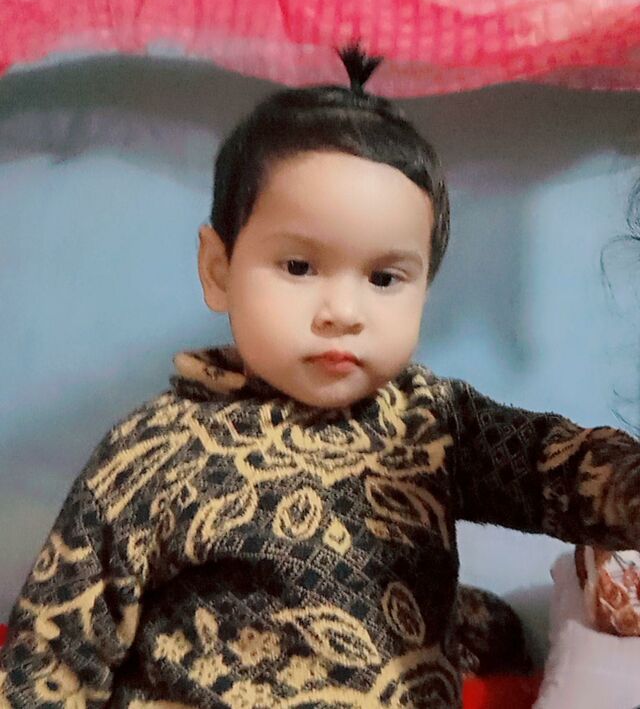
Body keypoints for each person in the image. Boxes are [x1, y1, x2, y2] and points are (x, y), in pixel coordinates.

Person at [1, 48, 639, 708]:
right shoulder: (152, 451)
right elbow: (51, 656)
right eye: (300, 267)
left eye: (384, 278)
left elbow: (565, 469)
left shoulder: (433, 422)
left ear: (424, 289)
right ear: (218, 270)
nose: (343, 312)